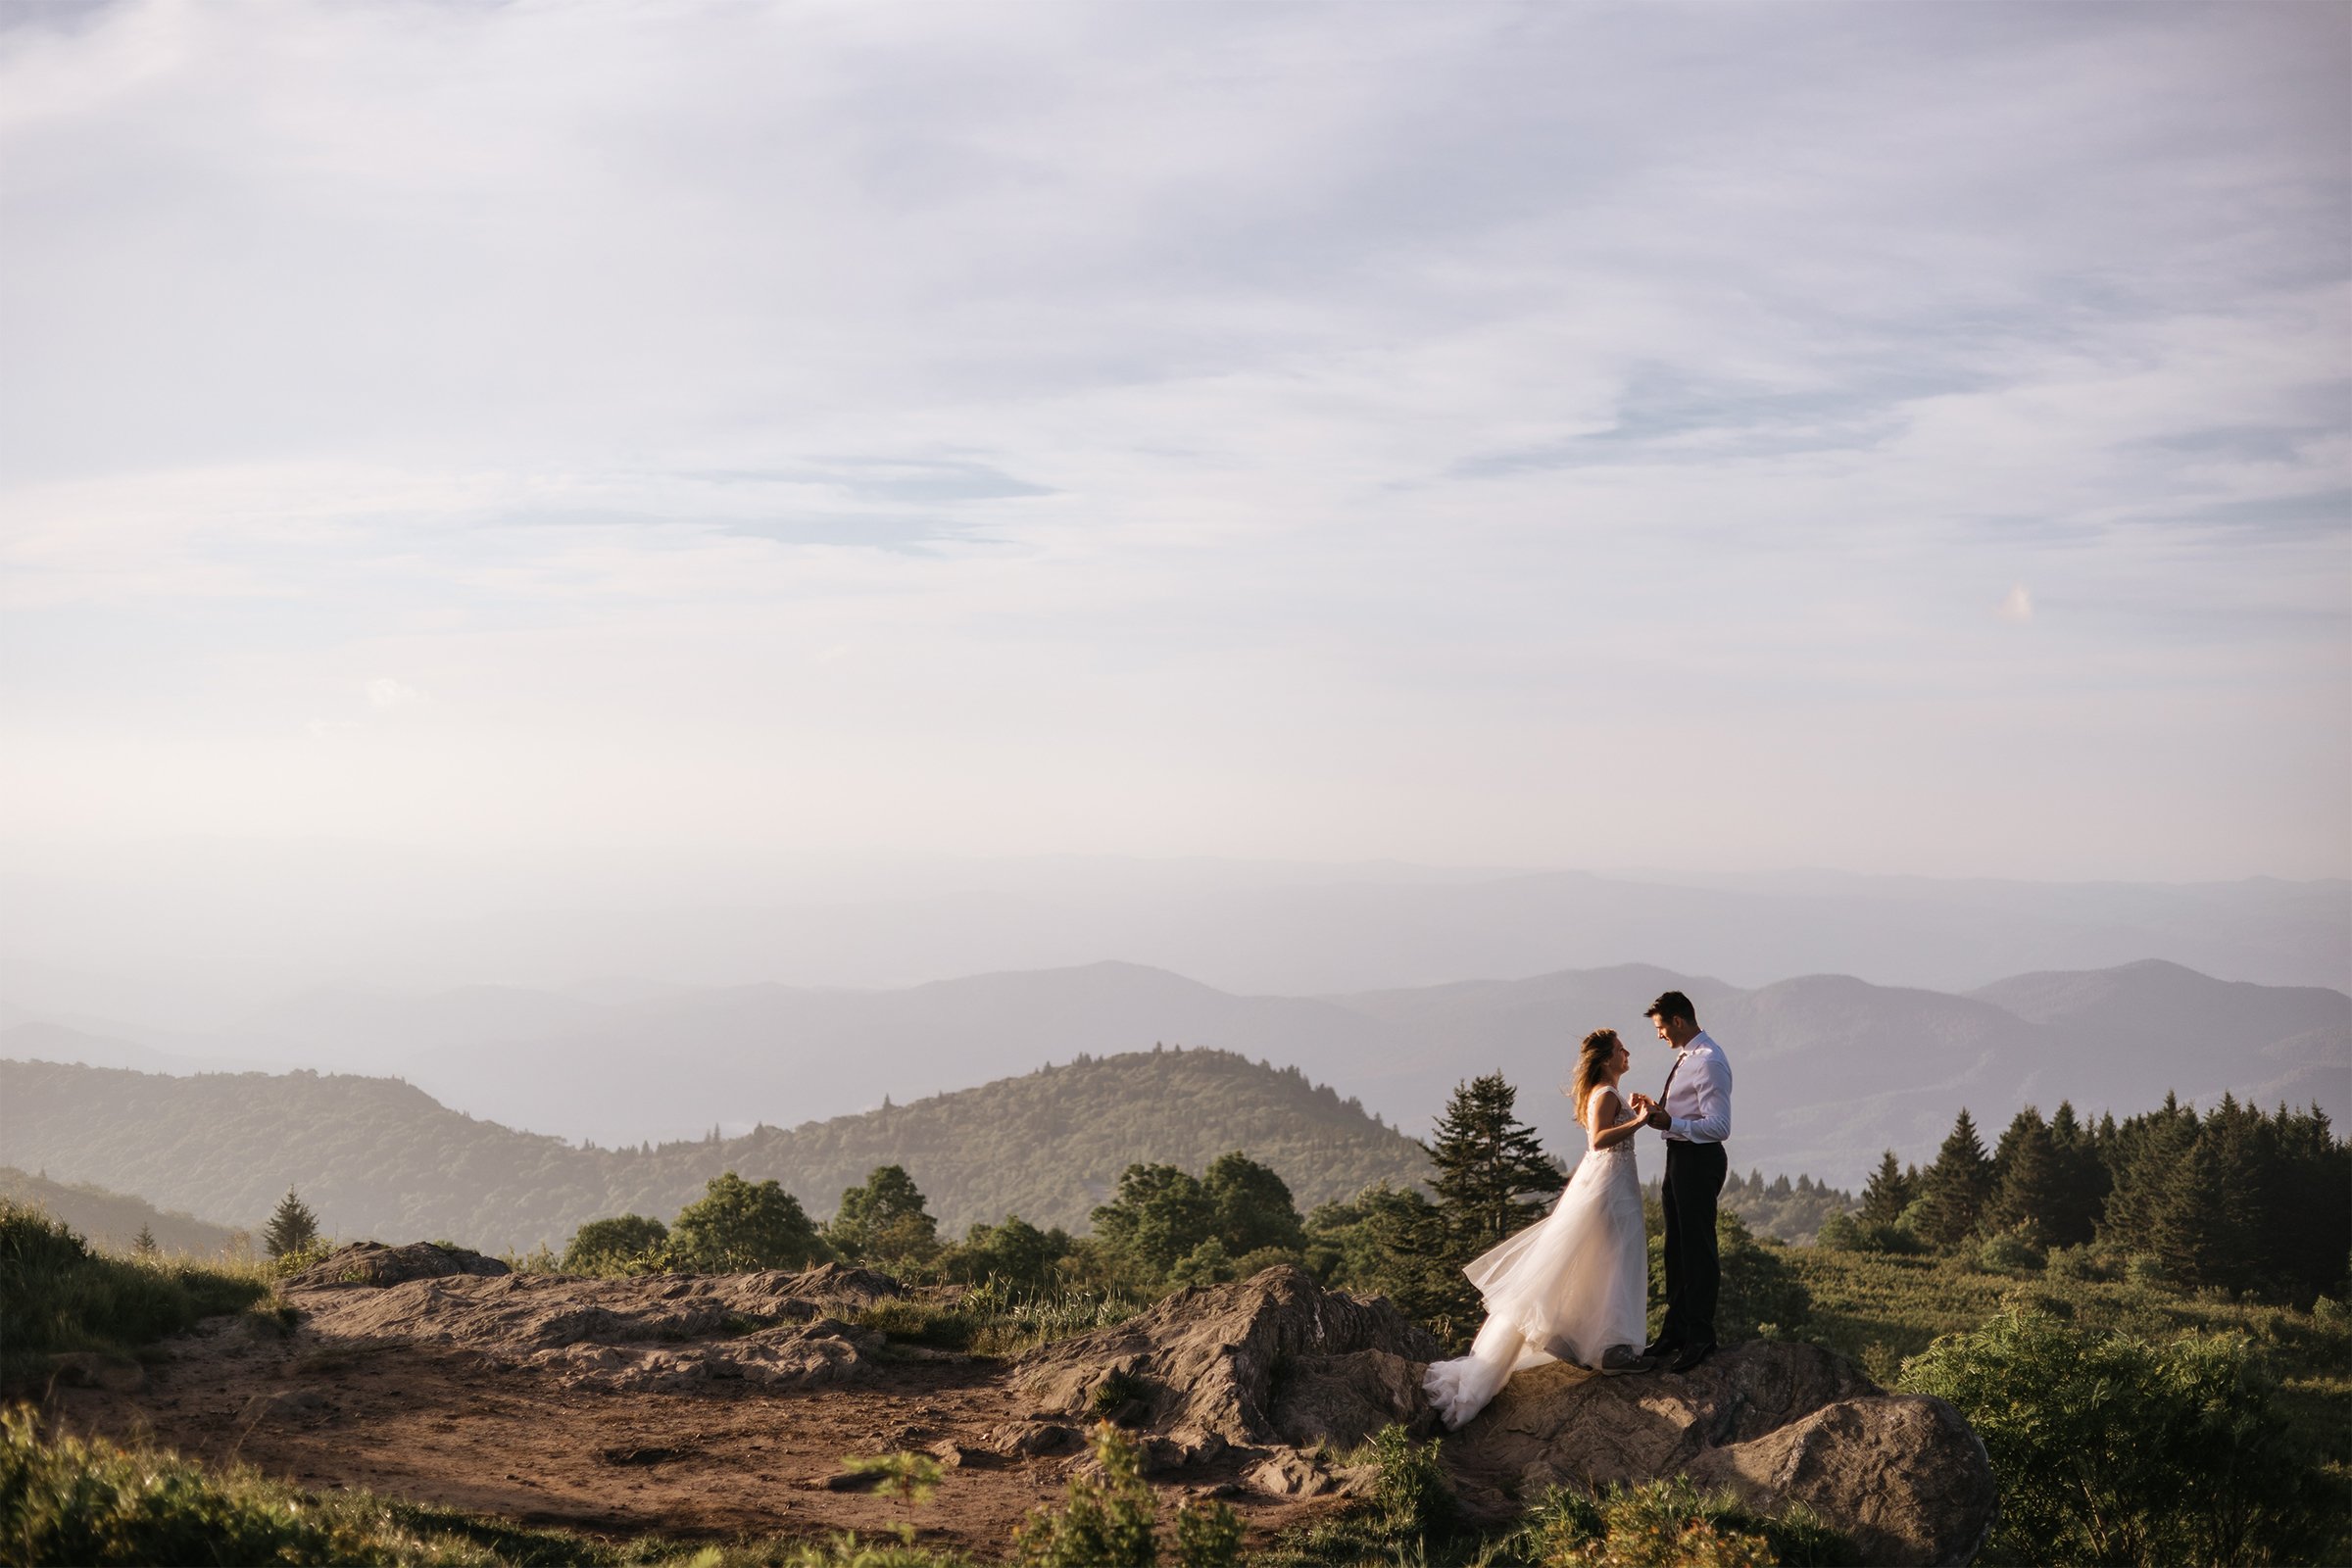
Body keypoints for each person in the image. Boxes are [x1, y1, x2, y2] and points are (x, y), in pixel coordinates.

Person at [1421, 1028, 1649, 1430]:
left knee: (1610, 1262)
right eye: (1619, 1049)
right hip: (1609, 1189)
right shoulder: (1605, 1094)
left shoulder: (1609, 1094)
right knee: (1612, 1259)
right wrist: (1642, 1120)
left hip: (1613, 1185)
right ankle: (1610, 1346)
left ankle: (1608, 1343)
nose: (1627, 1053)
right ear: (1604, 1058)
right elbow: (1599, 1140)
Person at [1626, 989, 1732, 1374]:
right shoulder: (1688, 1057)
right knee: (1676, 1246)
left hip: (1699, 1160)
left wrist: (1673, 1123)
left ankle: (1701, 1336)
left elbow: (1720, 1126)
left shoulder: (1709, 1061)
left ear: (1679, 1021)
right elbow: (1688, 1112)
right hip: (1679, 1157)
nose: (1659, 1035)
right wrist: (1659, 1112)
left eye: (1660, 1027)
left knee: (1698, 1247)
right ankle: (1676, 1329)